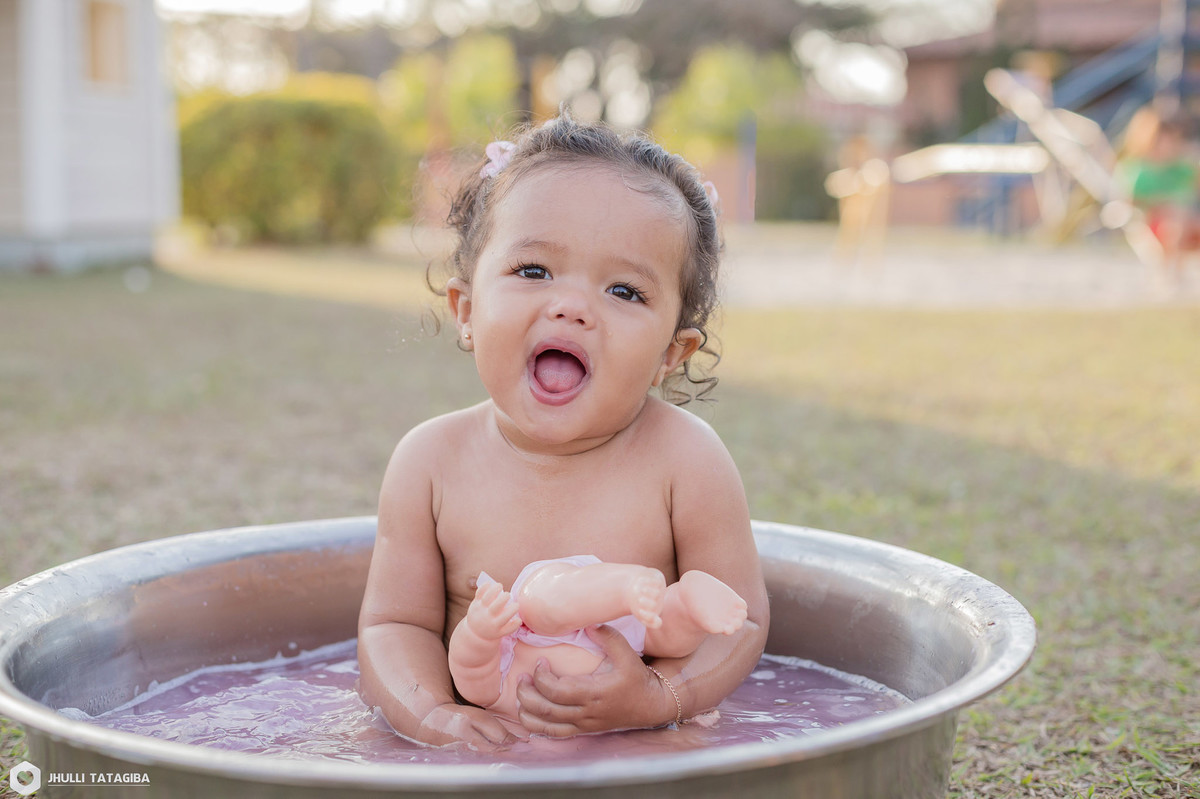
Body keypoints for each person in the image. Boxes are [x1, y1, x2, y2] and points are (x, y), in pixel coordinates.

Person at [357, 112, 770, 749]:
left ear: (670, 353)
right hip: (487, 747)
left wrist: (661, 699)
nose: (572, 305)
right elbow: (394, 626)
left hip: (637, 750)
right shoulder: (430, 463)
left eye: (625, 290)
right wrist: (433, 717)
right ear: (467, 311)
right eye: (534, 272)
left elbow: (738, 622)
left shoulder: (685, 460)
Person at [447, 556, 748, 734]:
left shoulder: (495, 689)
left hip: (535, 623)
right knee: (664, 633)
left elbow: (467, 668)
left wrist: (481, 631)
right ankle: (686, 603)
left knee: (537, 603)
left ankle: (626, 585)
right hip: (618, 649)